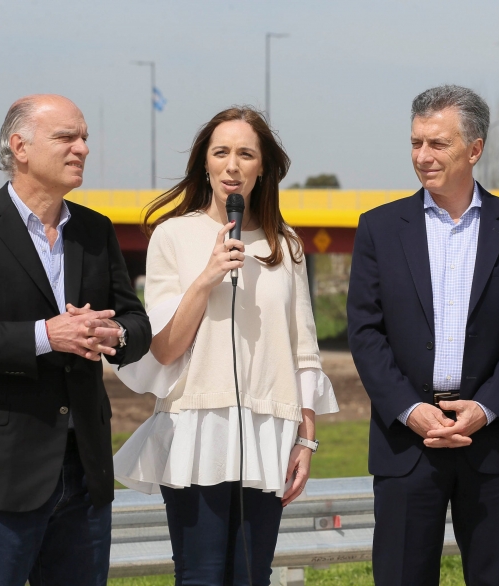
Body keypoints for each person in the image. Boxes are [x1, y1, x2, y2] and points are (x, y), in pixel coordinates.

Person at [0, 94, 152, 585]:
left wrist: (112, 333)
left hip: (84, 474)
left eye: (85, 137)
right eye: (67, 137)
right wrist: (46, 336)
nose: (83, 149)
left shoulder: (95, 230)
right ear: (19, 147)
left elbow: (136, 322)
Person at [112, 106, 338, 585]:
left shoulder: (287, 245)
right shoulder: (173, 236)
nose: (232, 165)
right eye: (221, 152)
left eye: (245, 154)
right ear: (205, 164)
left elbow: (304, 353)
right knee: (201, 575)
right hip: (197, 426)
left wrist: (306, 439)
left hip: (269, 430)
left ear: (263, 169)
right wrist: (207, 277)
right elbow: (165, 349)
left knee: (253, 575)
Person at [347, 85, 499, 585]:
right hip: (406, 444)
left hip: (491, 443)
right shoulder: (378, 228)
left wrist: (485, 408)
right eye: (416, 143)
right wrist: (410, 411)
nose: (423, 156)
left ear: (474, 148)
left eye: (438, 144)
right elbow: (365, 330)